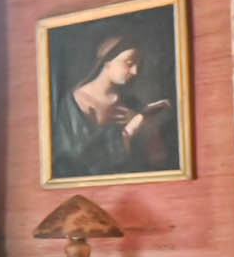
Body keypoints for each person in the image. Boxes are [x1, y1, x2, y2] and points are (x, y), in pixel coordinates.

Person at [51, 33, 173, 179]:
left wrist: (149, 126)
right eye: (129, 63)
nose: (135, 71)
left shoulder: (131, 103)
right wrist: (130, 130)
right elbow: (75, 162)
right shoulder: (73, 103)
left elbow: (157, 160)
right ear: (107, 61)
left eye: (138, 65)